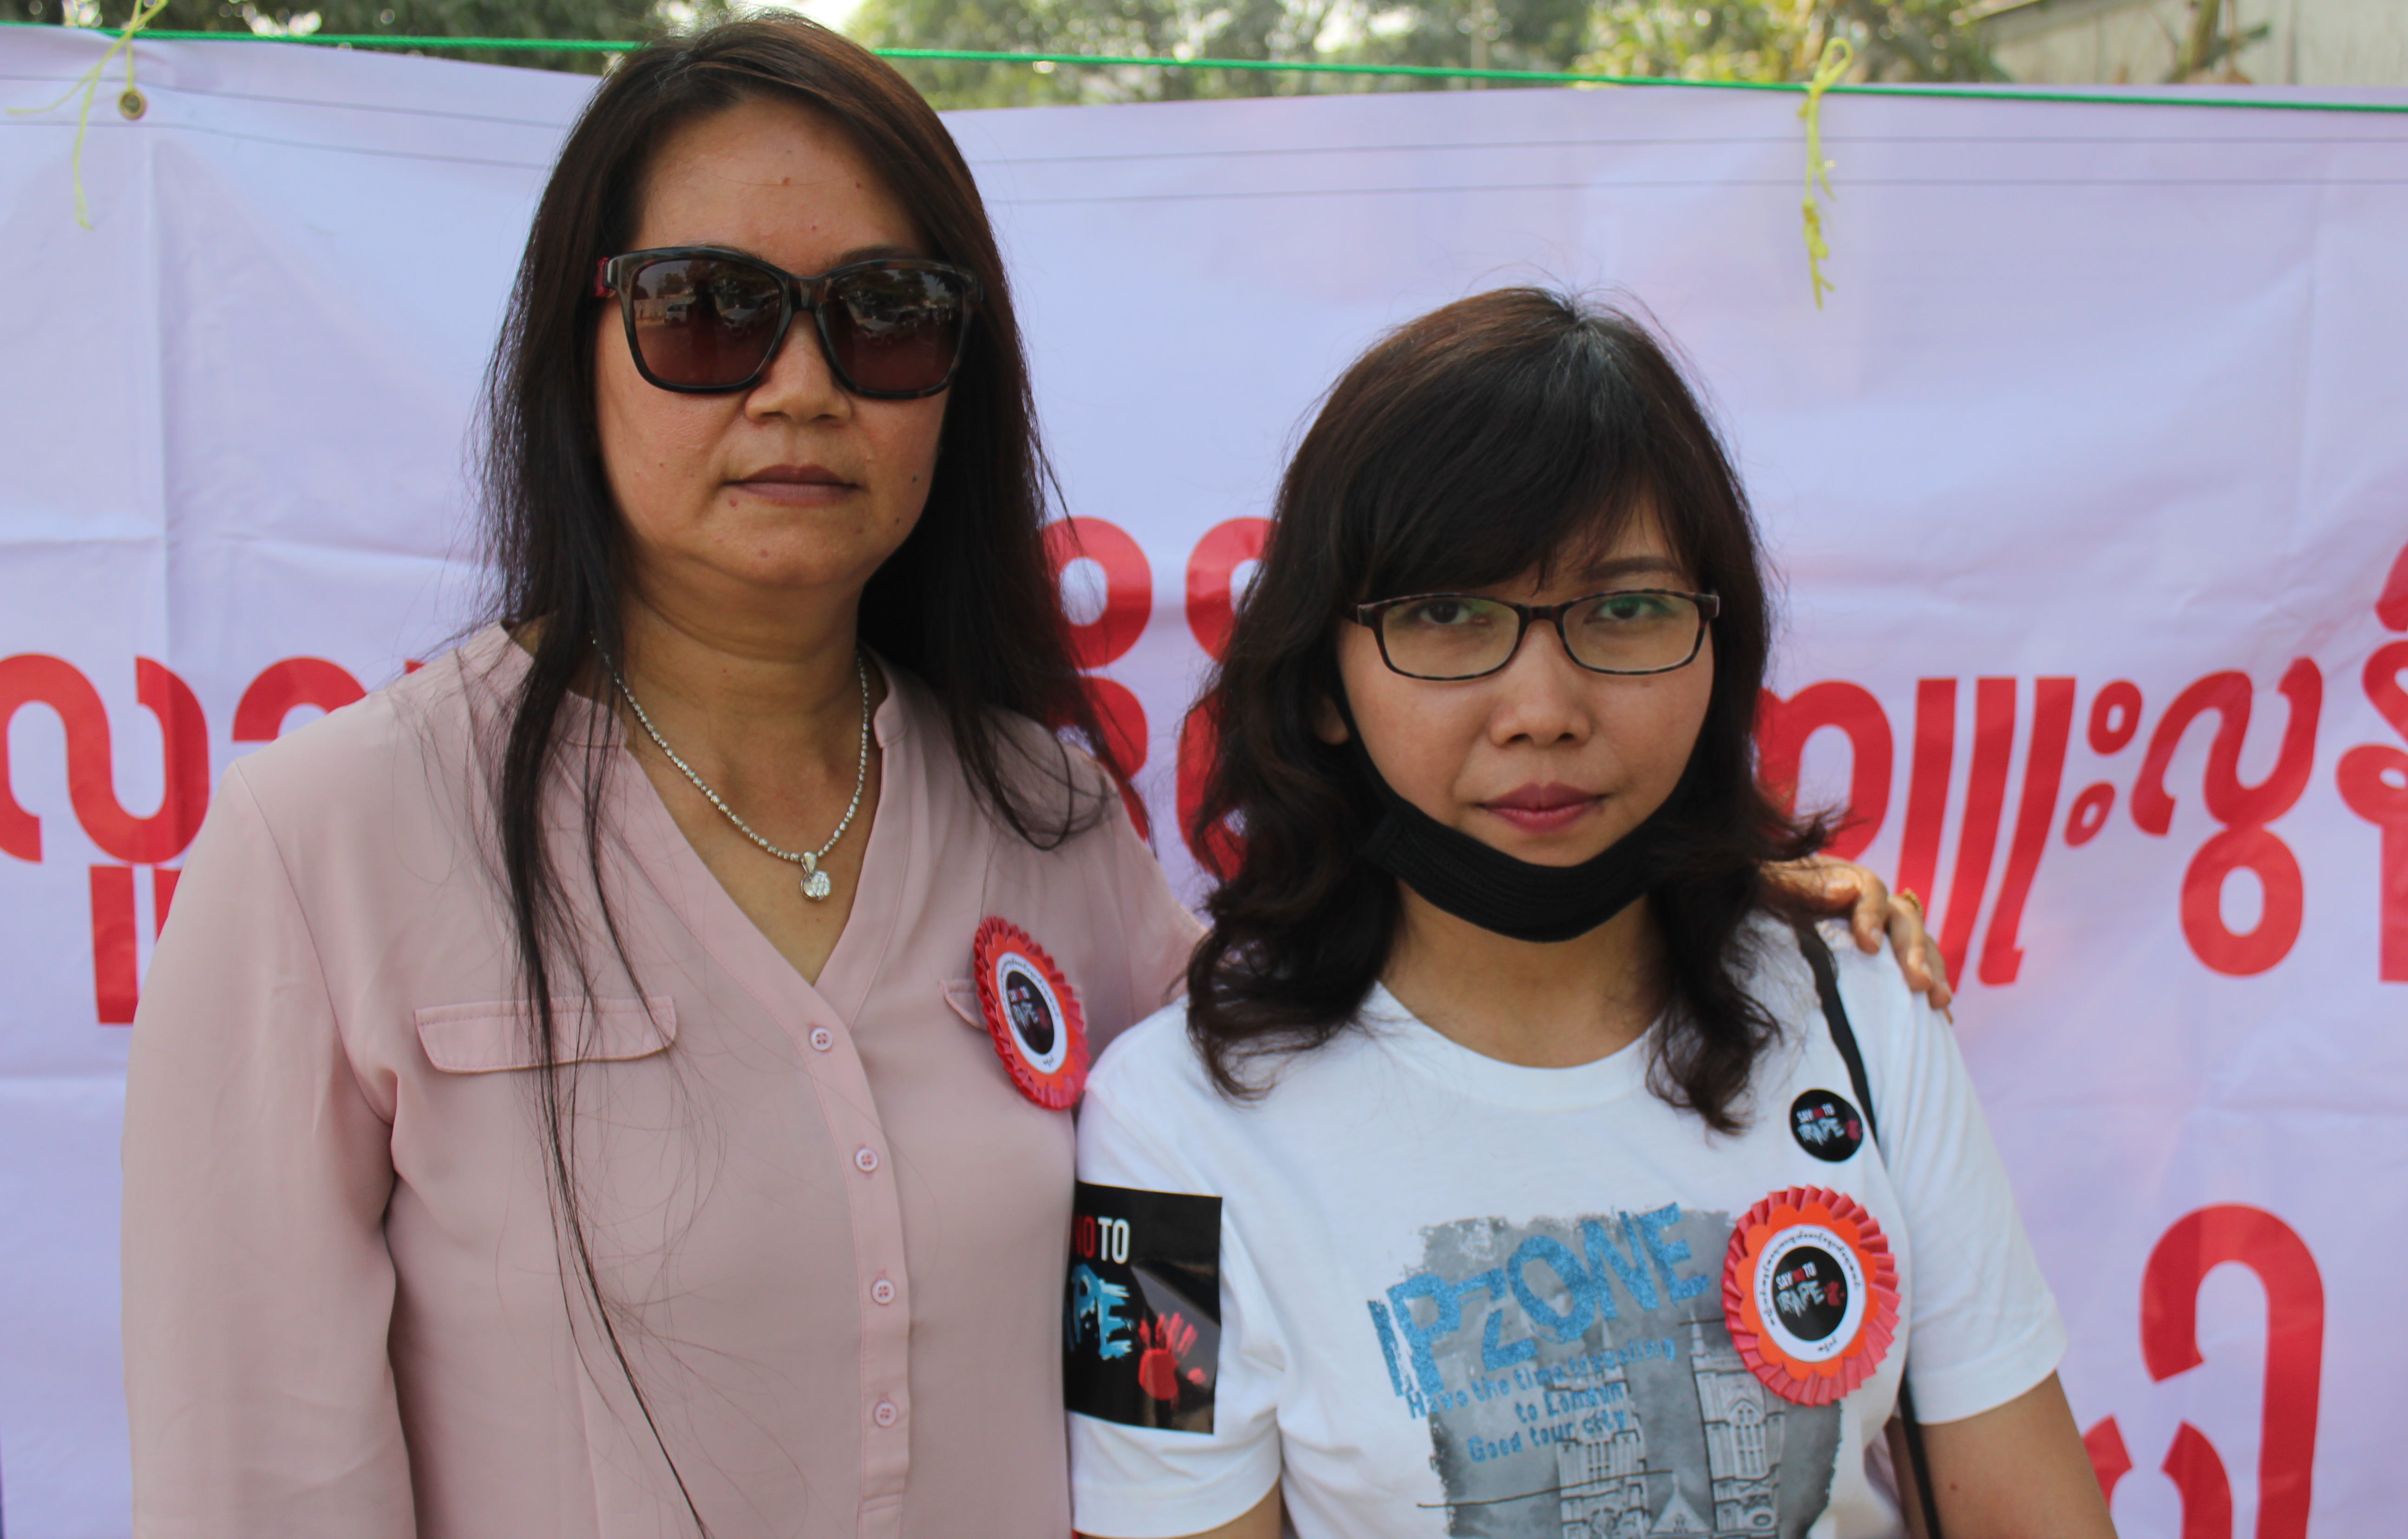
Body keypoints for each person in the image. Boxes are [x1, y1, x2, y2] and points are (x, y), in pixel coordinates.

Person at [119, 20, 1937, 1539]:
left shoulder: (1049, 825)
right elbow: (255, 1485)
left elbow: (1313, 1069)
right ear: (574, 352)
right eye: (708, 311)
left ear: (956, 379)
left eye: (886, 315)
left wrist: (1691, 886)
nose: (802, 385)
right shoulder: (327, 849)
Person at [1065, 292, 2114, 1539]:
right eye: (1448, 614)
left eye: (1624, 611)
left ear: (1717, 646)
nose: (1543, 705)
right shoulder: (1162, 1139)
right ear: (1326, 682)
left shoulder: (1863, 1006)